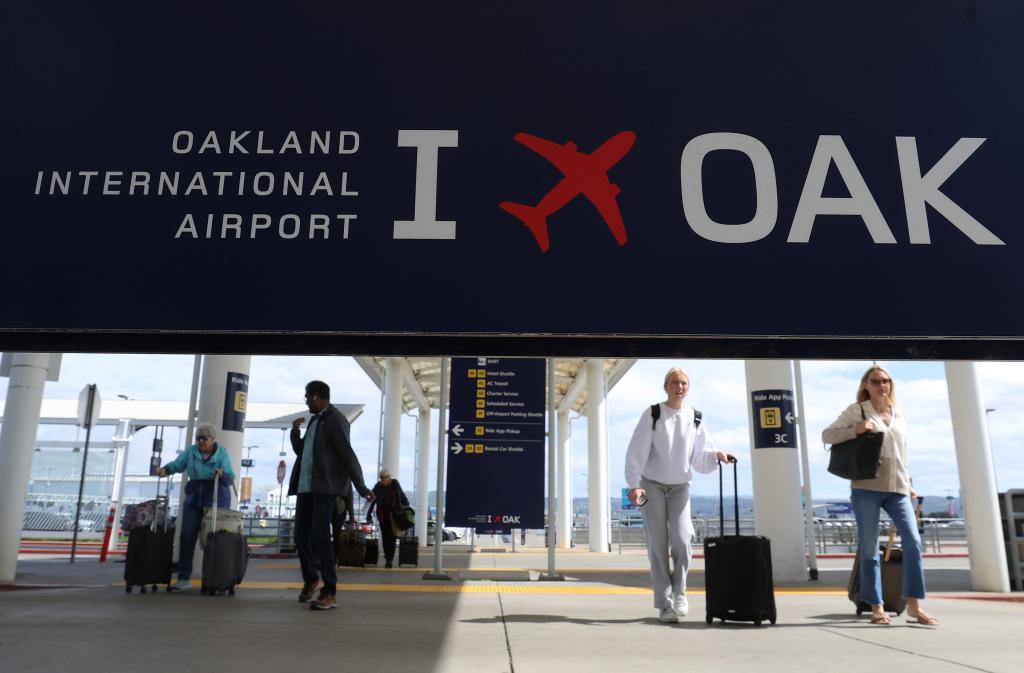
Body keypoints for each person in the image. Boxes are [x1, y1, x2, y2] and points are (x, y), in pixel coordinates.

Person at [822, 365, 938, 626]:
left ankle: (913, 605)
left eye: (886, 381)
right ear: (866, 384)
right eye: (876, 381)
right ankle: (876, 606)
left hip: (898, 489)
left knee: (913, 543)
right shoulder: (857, 410)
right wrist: (856, 429)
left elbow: (901, 453)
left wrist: (908, 483)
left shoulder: (899, 413)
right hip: (866, 488)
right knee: (869, 548)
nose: (882, 385)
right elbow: (827, 435)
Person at [624, 367, 736, 623]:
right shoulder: (653, 413)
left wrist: (717, 455)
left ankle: (680, 592)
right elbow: (636, 451)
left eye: (684, 383)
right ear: (666, 386)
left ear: (689, 387)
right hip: (651, 485)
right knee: (658, 544)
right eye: (675, 382)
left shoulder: (695, 417)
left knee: (684, 539)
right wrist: (634, 484)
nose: (680, 387)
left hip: (680, 486)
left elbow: (700, 457)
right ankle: (664, 604)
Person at [290, 380, 373, 610]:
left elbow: (347, 454)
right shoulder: (315, 421)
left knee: (320, 535)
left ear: (316, 397)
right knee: (300, 537)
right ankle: (311, 579)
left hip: (325, 488)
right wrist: (295, 433)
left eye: (307, 396)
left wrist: (361, 486)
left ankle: (329, 591)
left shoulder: (336, 420)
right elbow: (302, 452)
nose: (306, 401)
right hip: (306, 488)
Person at [157, 422, 235, 592]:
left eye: (204, 438)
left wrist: (222, 474)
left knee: (213, 540)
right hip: (194, 498)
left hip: (216, 499)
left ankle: (213, 578)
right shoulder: (191, 452)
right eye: (198, 438)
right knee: (186, 537)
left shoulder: (222, 453)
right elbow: (177, 464)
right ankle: (184, 578)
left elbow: (230, 476)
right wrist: (165, 470)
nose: (200, 441)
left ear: (212, 439)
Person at [366, 468, 410, 569]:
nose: (383, 480)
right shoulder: (378, 487)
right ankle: (387, 558)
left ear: (389, 477)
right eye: (381, 478)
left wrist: (406, 511)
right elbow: (372, 501)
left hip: (394, 516)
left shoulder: (395, 484)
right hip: (383, 517)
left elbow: (402, 497)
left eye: (385, 477)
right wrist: (368, 515)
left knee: (393, 537)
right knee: (385, 538)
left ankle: (390, 559)